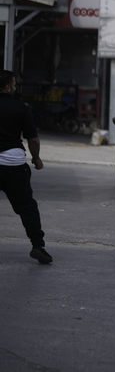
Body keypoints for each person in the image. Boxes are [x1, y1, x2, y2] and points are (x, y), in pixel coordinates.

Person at [0, 70, 52, 264]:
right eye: (13, 84)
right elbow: (34, 139)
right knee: (27, 207)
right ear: (6, 87)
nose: (15, 87)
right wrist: (36, 159)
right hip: (13, 163)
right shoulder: (21, 107)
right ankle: (38, 246)